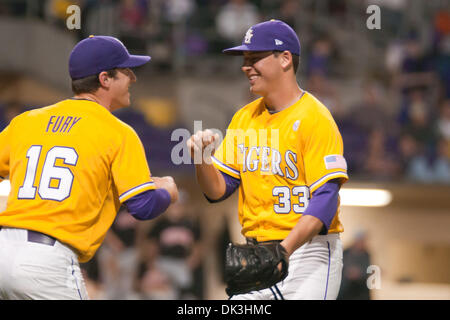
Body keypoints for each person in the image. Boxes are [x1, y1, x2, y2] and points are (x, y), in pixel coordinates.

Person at [0, 35, 178, 300]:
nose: (134, 78)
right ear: (105, 79)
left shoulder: (26, 121)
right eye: (126, 71)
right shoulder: (117, 131)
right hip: (49, 261)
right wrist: (168, 191)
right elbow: (144, 206)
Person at [187, 20, 348, 300]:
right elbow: (217, 190)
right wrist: (202, 159)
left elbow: (326, 197)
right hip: (258, 254)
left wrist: (284, 249)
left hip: (308, 252)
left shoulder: (315, 118)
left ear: (285, 59)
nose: (245, 67)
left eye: (254, 58)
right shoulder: (243, 118)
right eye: (245, 60)